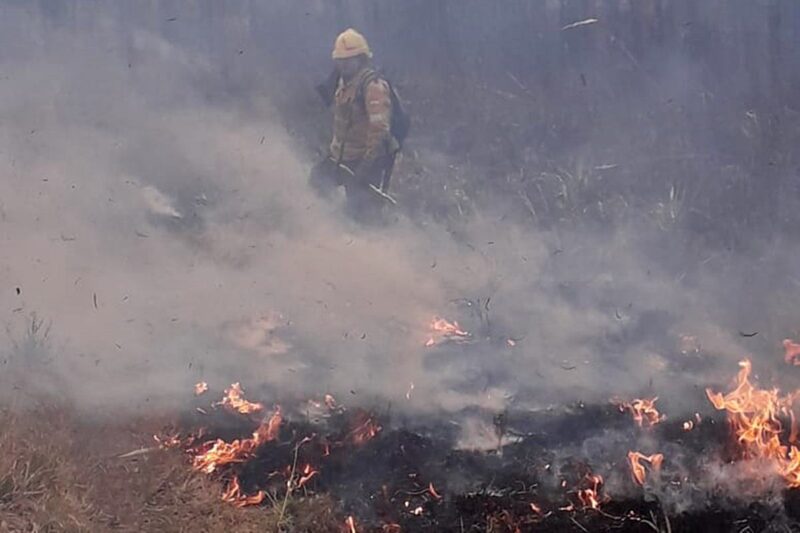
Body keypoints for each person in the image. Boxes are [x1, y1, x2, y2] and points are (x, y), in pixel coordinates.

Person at [309, 28, 399, 223]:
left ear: (361, 59)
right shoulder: (342, 81)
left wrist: (365, 169)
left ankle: (381, 234)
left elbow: (379, 131)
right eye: (340, 60)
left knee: (360, 216)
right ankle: (325, 224)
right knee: (316, 181)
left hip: (364, 161)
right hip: (340, 158)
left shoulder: (373, 86)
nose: (343, 64)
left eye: (349, 60)